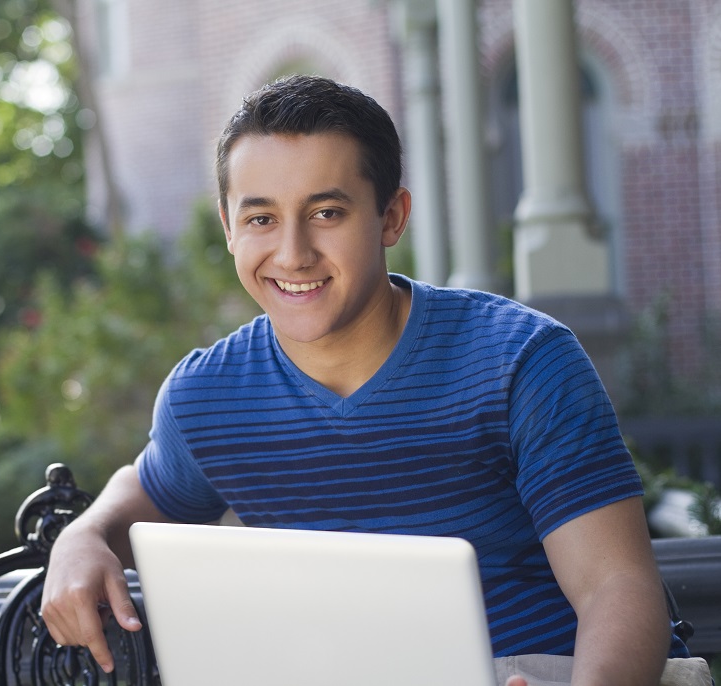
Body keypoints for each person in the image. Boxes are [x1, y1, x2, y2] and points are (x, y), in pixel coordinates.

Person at [40, 75, 687, 686]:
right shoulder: (206, 398)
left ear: (391, 218)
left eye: (326, 213)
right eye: (261, 218)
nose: (292, 253)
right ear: (229, 227)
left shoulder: (520, 360)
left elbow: (616, 586)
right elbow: (146, 488)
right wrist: (82, 536)